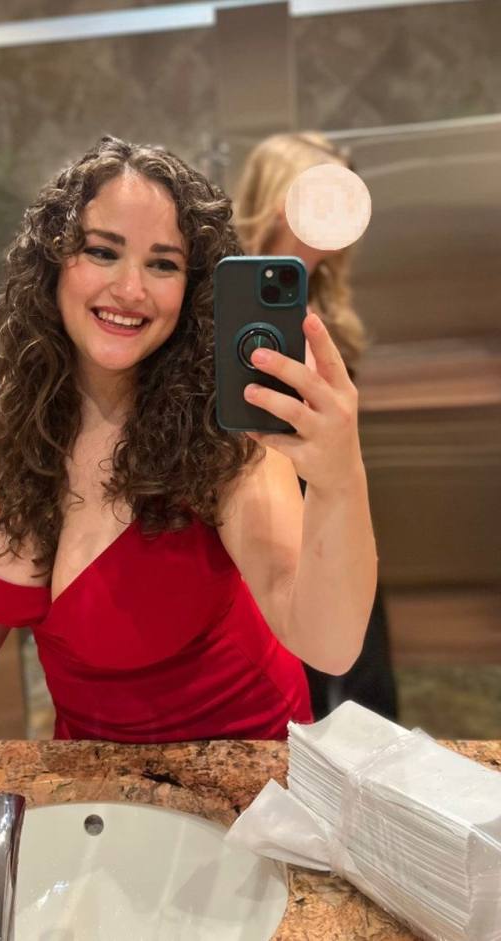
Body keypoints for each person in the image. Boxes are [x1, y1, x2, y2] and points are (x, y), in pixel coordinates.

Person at [0, 135, 376, 753]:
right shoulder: (30, 407)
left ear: (191, 289)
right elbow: (1, 570)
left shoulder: (227, 443)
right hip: (86, 761)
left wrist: (341, 479)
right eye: (103, 252)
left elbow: (328, 645)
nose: (131, 289)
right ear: (53, 263)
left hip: (236, 767)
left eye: (163, 264)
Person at [234, 131, 398, 721]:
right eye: (323, 196)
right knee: (290, 674)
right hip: (256, 505)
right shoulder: (222, 295)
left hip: (333, 493)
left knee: (363, 666)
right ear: (281, 200)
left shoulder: (327, 301)